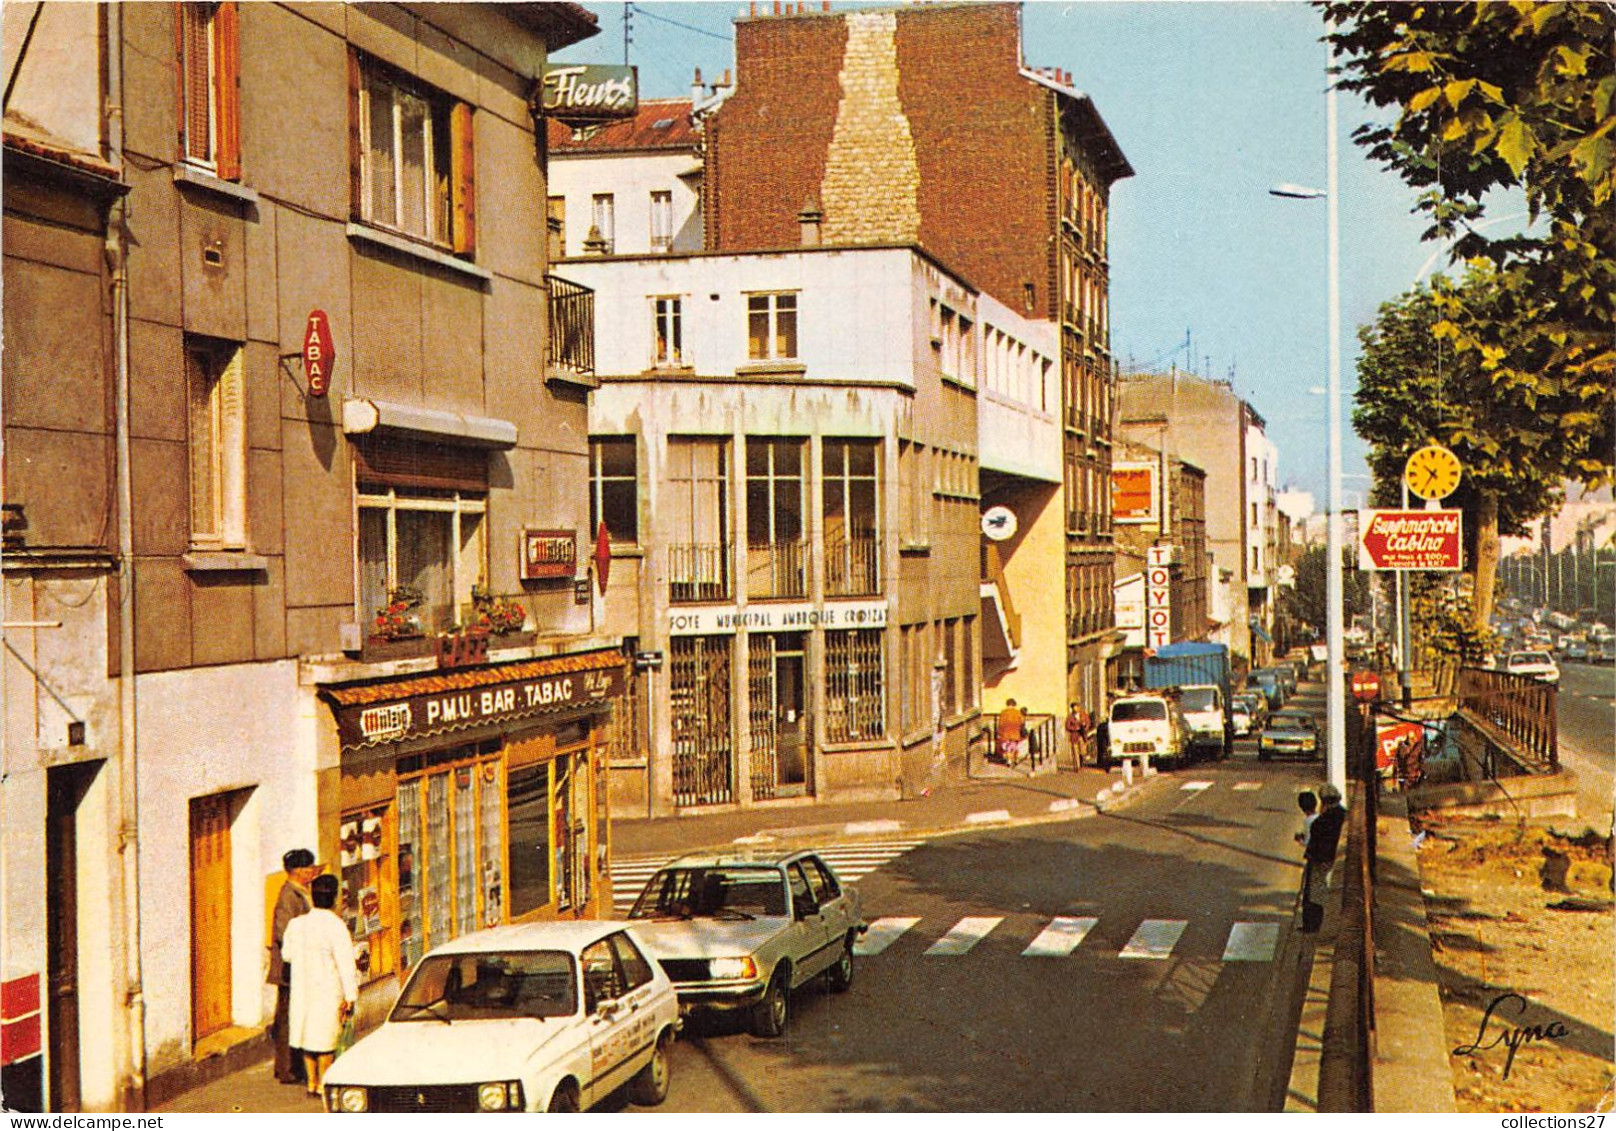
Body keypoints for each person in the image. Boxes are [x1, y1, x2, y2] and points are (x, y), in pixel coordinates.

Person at [282, 873, 359, 1095]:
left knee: (308, 1032)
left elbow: (287, 955)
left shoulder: (296, 925)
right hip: (328, 988)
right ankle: (324, 1082)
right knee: (326, 1036)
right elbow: (346, 963)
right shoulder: (336, 926)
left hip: (304, 987)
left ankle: (311, 1082)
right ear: (334, 898)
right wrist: (350, 995)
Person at [268, 848, 317, 1084]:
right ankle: (287, 1068)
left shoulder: (300, 892)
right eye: (308, 868)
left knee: (291, 1016)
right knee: (287, 1017)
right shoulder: (288, 896)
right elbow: (283, 932)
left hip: (298, 966)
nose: (311, 872)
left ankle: (291, 1065)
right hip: (290, 969)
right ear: (297, 871)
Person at [1301, 783, 1347, 933]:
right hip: (1336, 858)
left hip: (1321, 860)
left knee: (1315, 893)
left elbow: (1314, 844)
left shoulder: (1320, 822)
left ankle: (1313, 926)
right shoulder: (1344, 815)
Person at [997, 698, 1027, 766]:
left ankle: (1009, 761)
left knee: (1007, 748)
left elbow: (1001, 724)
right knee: (1015, 746)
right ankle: (1015, 759)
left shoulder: (1004, 712)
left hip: (1006, 733)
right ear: (1014, 704)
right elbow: (1021, 722)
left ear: (1007, 704)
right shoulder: (1017, 712)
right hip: (1015, 732)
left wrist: (1000, 733)